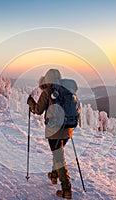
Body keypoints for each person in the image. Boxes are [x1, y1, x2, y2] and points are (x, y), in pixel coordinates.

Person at [27, 69, 73, 199]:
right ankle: (54, 176)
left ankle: (66, 189)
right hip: (68, 129)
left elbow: (38, 110)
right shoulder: (66, 90)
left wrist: (30, 102)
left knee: (58, 158)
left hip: (54, 130)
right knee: (58, 153)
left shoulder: (48, 92)